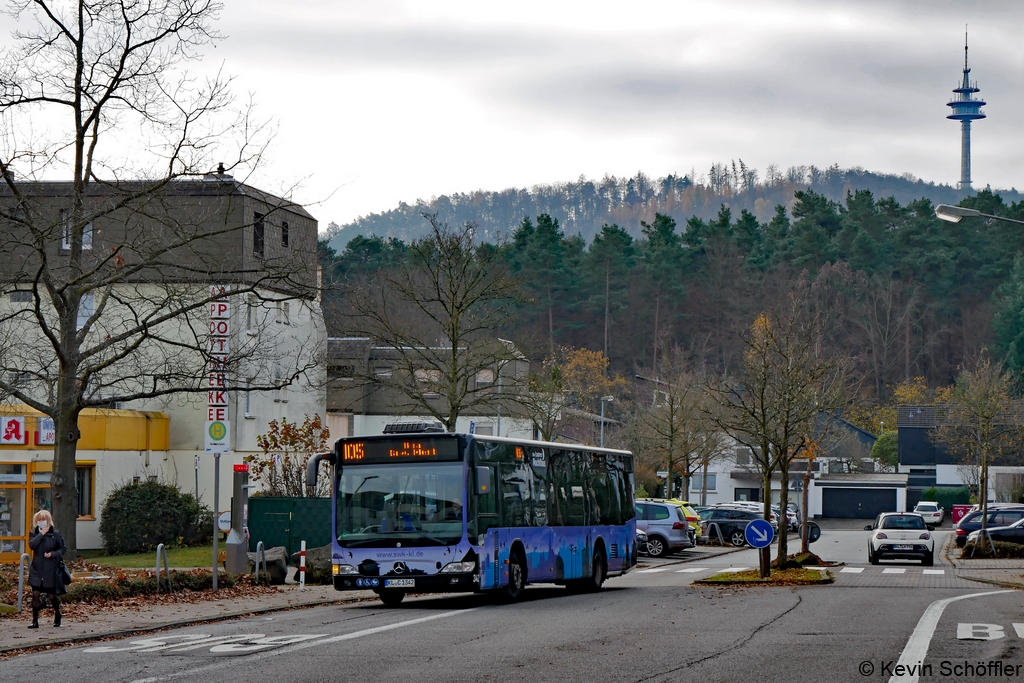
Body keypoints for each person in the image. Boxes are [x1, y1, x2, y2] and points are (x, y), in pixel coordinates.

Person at [28, 509, 67, 628]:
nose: (41, 522)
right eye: (39, 520)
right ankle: (35, 621)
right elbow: (32, 545)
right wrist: (41, 534)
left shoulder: (55, 534)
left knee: (51, 596)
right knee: (35, 594)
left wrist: (53, 554)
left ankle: (58, 614)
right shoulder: (34, 533)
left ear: (48, 520)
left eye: (43, 520)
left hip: (50, 570)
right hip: (37, 569)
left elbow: (63, 549)